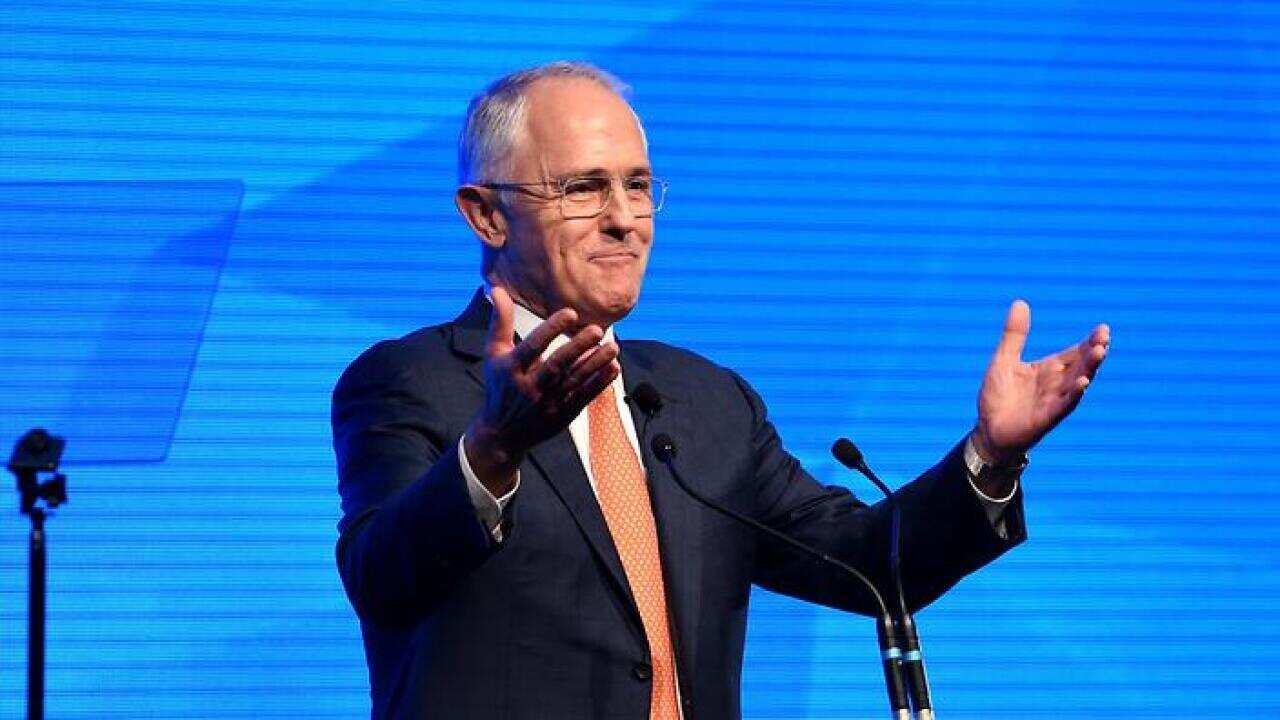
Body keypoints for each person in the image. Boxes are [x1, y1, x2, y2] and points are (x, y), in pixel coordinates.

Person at [332, 61, 1110, 720]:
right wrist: (495, 447)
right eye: (582, 188)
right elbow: (382, 581)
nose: (624, 219)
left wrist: (990, 458)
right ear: (486, 216)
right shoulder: (412, 382)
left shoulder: (704, 401)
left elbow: (872, 564)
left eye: (637, 186)